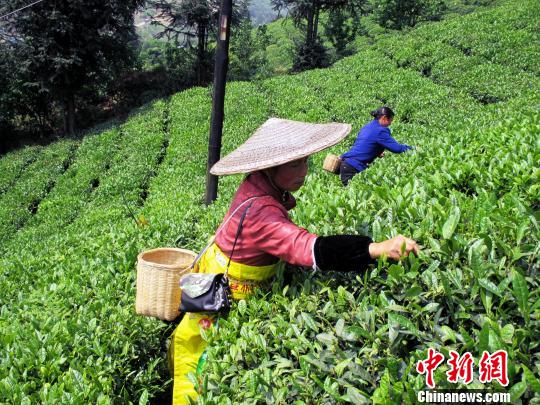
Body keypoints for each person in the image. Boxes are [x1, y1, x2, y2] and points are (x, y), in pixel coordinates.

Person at [169, 118, 420, 404]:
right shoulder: (261, 212)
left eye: (305, 162)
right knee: (201, 369)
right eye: (294, 165)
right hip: (227, 294)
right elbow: (310, 248)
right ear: (270, 166)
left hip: (223, 273)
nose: (304, 172)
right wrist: (375, 249)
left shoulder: (258, 182)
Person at [340, 106, 414, 186]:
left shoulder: (367, 127)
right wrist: (414, 148)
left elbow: (365, 144)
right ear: (384, 117)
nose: (390, 123)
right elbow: (397, 148)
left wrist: (377, 152)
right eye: (390, 120)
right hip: (353, 167)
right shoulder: (380, 130)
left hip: (347, 165)